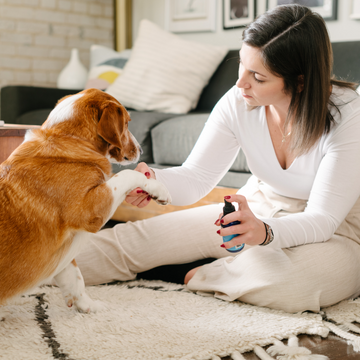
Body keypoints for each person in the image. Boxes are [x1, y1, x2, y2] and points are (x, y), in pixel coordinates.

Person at [75, 4, 360, 313]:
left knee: (285, 282)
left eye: (258, 77)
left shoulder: (348, 116)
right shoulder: (239, 101)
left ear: (301, 82)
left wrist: (265, 232)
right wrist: (156, 181)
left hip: (339, 230)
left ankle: (193, 273)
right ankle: (32, 263)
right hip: (260, 206)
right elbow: (197, 176)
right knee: (136, 240)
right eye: (242, 65)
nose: (240, 84)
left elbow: (323, 220)